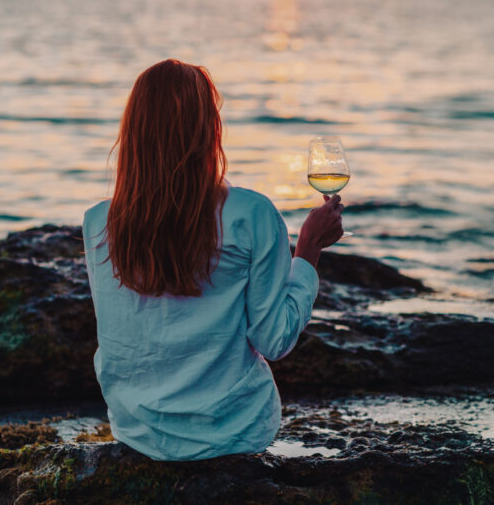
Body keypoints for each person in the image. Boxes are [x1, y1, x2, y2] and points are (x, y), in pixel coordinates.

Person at [82, 58, 344, 461]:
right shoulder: (250, 214)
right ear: (209, 130)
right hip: (232, 432)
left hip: (137, 431)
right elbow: (274, 340)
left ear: (133, 132)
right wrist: (308, 249)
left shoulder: (98, 221)